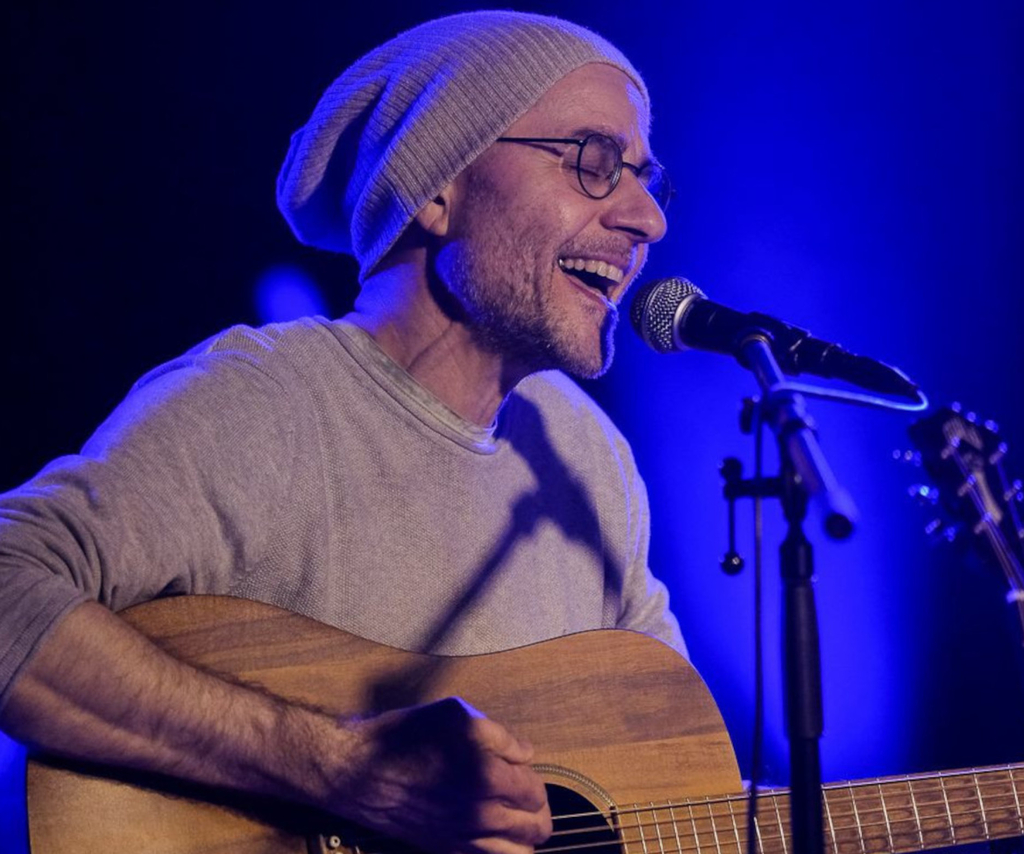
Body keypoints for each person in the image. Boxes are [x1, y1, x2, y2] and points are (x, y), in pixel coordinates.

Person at [0, 11, 681, 854]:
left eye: (648, 177)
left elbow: (675, 783)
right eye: (595, 162)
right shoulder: (265, 402)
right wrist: (339, 771)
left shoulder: (585, 460)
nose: (647, 218)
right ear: (438, 186)